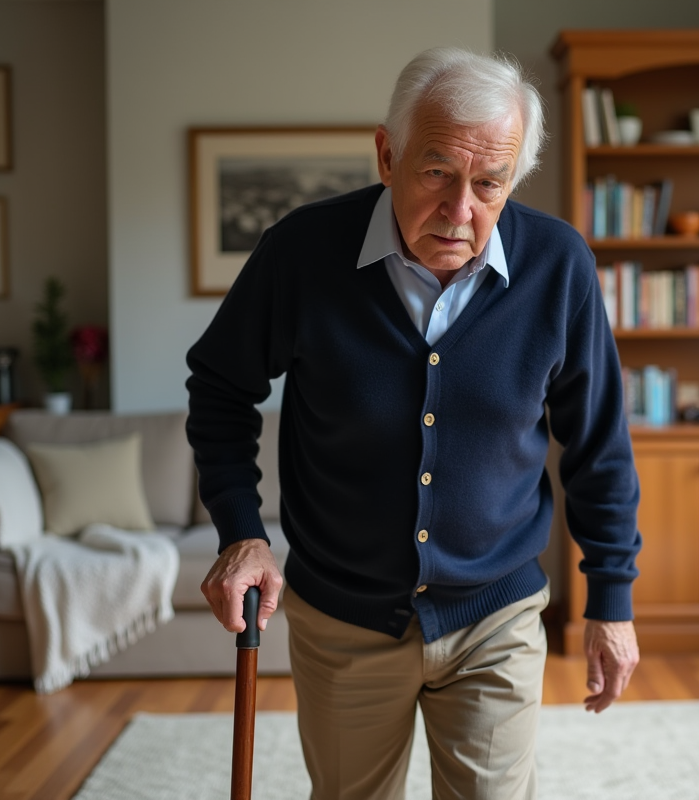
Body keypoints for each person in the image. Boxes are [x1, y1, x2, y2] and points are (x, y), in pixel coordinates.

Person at [187, 46, 642, 800]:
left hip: (495, 611)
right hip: (343, 618)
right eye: (436, 172)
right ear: (387, 154)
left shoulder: (558, 266)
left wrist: (612, 600)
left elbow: (598, 444)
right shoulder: (302, 252)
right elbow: (221, 386)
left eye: (489, 183)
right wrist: (242, 531)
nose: (460, 210)